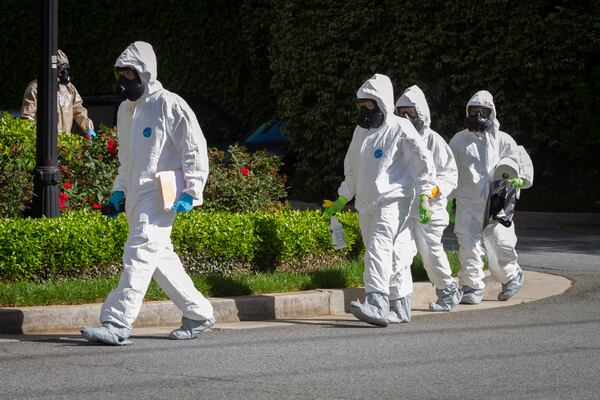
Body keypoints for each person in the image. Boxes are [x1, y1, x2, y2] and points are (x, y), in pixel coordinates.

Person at [80, 41, 214, 345]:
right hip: (137, 196)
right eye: (121, 75)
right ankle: (199, 312)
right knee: (159, 257)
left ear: (145, 73)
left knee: (139, 252)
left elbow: (194, 149)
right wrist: (118, 192)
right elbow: (126, 160)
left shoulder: (170, 105)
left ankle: (117, 322)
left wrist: (192, 191)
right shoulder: (125, 110)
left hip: (161, 195)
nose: (124, 81)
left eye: (129, 74)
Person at [323, 74, 436, 326]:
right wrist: (342, 197)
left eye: (369, 105)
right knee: (389, 253)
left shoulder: (400, 128)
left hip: (394, 199)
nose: (364, 110)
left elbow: (423, 164)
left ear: (382, 102)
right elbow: (352, 168)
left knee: (378, 247)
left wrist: (424, 196)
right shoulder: (360, 132)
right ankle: (400, 306)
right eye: (361, 105)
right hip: (366, 202)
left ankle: (376, 303)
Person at [448, 90, 532, 304]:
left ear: (491, 113)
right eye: (474, 111)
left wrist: (519, 180)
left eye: (483, 111)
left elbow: (519, 164)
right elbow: (449, 172)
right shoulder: (459, 141)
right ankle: (472, 286)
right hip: (468, 203)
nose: (478, 116)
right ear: (467, 112)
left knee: (500, 243)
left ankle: (512, 276)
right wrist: (446, 200)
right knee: (468, 245)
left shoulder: (503, 140)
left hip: (498, 201)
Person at [394, 85, 462, 311]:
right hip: (405, 205)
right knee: (400, 252)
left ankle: (448, 290)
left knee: (430, 251)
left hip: (430, 208)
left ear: (421, 112)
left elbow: (449, 174)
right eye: (401, 112)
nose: (406, 116)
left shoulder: (434, 141)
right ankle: (398, 299)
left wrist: (432, 191)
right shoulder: (397, 138)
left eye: (410, 112)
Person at [20, 50, 96, 138]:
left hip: (65, 140)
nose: (64, 73)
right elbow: (27, 117)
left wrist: (88, 128)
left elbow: (78, 109)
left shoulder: (69, 88)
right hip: (45, 140)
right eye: (61, 69)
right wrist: (32, 138)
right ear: (50, 69)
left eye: (66, 69)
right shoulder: (36, 88)